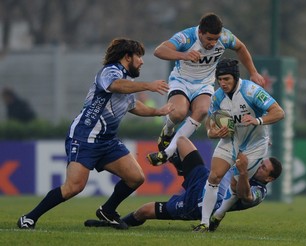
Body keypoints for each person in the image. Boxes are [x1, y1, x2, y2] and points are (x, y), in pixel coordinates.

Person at [17, 38, 174, 230]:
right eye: (139, 56)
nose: (142, 61)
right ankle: (29, 218)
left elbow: (133, 105)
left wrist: (158, 111)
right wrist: (148, 85)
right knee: (74, 187)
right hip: (85, 137)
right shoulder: (110, 72)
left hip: (107, 141)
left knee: (136, 177)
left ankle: (107, 210)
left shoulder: (127, 80)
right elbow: (115, 85)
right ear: (127, 57)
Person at [84, 136, 282, 231]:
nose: (260, 166)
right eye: (262, 163)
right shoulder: (247, 165)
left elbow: (245, 195)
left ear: (270, 179)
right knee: (181, 141)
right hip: (204, 178)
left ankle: (112, 225)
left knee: (143, 211)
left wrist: (244, 173)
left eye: (264, 168)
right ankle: (175, 162)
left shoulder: (258, 191)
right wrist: (260, 145)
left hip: (199, 202)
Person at [146, 12, 265, 166]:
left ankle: (167, 152)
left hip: (204, 83)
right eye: (209, 39)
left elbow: (241, 47)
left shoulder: (225, 37)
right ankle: (167, 130)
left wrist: (253, 72)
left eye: (216, 39)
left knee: (202, 110)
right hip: (181, 81)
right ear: (200, 32)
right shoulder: (187, 37)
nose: (213, 43)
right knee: (179, 113)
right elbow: (159, 51)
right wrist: (184, 55)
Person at [192, 58, 285, 232]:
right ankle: (204, 223)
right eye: (219, 79)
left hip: (254, 146)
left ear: (235, 77)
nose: (223, 83)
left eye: (226, 79)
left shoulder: (252, 91)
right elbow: (210, 123)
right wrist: (212, 133)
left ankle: (218, 214)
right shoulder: (218, 96)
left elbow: (279, 112)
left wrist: (258, 120)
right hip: (230, 139)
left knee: (236, 188)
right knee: (214, 177)